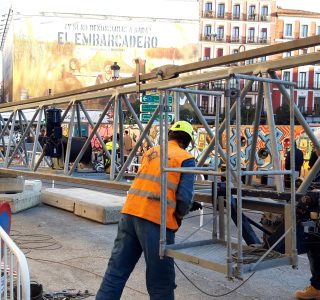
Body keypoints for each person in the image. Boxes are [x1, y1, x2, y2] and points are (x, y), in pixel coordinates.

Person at [96, 121, 200, 300]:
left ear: (170, 135)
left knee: (116, 272)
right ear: (188, 141)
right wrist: (179, 216)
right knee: (161, 282)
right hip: (156, 222)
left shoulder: (151, 152)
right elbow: (183, 199)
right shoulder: (186, 158)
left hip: (130, 214)